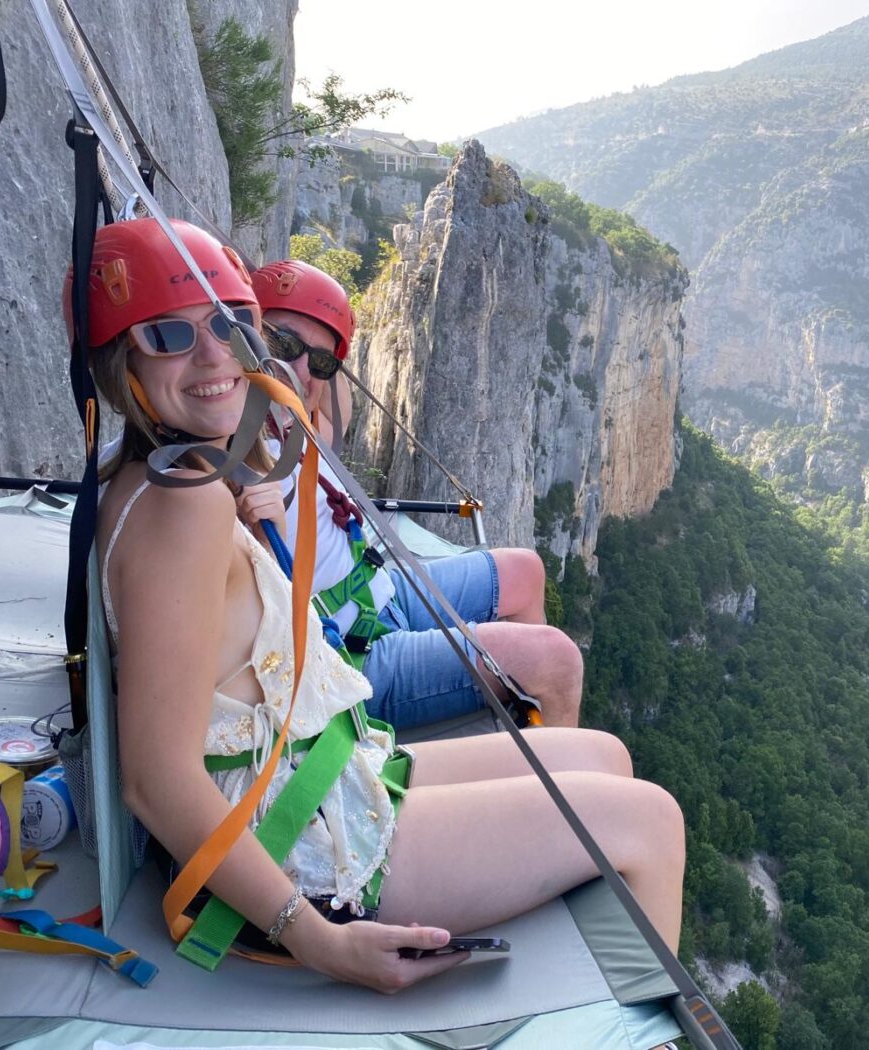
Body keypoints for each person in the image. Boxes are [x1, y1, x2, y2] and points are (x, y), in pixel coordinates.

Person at [79, 218, 684, 992]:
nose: (213, 357)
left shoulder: (162, 475)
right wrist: (319, 941)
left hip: (320, 777)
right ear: (118, 361)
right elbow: (155, 780)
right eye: (167, 334)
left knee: (605, 756)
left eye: (229, 326)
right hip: (301, 838)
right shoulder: (185, 507)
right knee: (652, 822)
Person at [237, 259, 583, 731]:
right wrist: (261, 534)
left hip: (386, 592)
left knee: (526, 569)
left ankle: (520, 707)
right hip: (356, 657)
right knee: (557, 661)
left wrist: (322, 348)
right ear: (248, 337)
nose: (300, 369)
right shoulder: (236, 449)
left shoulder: (299, 423)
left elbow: (327, 387)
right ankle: (545, 739)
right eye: (284, 344)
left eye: (320, 362)